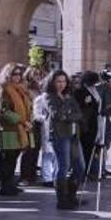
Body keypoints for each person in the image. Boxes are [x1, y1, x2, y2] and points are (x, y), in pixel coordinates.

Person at [38, 70, 85, 210]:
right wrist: (66, 107)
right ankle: (62, 200)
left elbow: (79, 114)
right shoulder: (47, 96)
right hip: (59, 135)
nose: (61, 84)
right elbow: (56, 114)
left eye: (64, 81)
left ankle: (72, 195)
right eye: (58, 81)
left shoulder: (69, 96)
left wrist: (68, 113)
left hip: (73, 135)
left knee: (80, 167)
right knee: (63, 167)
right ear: (52, 82)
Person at [0, 62, 35, 196]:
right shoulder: (5, 90)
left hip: (20, 129)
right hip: (9, 130)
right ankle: (6, 187)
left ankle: (10, 185)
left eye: (19, 74)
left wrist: (28, 121)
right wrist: (23, 122)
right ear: (8, 74)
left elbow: (27, 108)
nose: (17, 76)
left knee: (13, 159)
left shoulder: (21, 89)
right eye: (14, 74)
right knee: (9, 159)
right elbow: (4, 112)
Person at [75, 71, 103, 178]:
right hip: (85, 123)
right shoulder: (80, 92)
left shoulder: (95, 91)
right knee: (85, 146)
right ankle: (84, 171)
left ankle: (91, 169)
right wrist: (85, 103)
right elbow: (78, 106)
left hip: (94, 121)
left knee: (92, 146)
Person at [19, 66, 45, 185]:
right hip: (29, 122)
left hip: (38, 122)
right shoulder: (25, 89)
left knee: (36, 149)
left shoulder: (39, 89)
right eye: (35, 74)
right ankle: (25, 176)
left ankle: (32, 174)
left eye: (39, 74)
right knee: (28, 149)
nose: (37, 77)